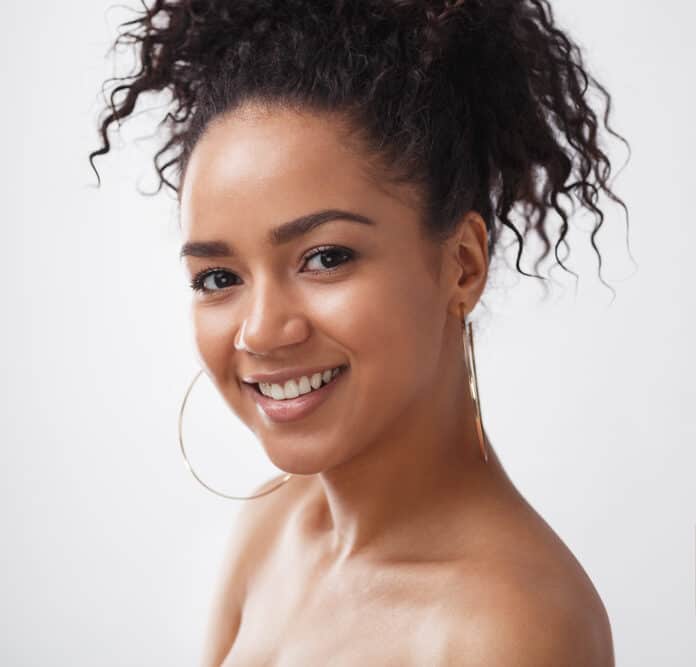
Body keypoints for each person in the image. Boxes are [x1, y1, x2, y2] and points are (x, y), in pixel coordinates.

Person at [89, 1, 629, 664]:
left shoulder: (512, 627)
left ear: (461, 265)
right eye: (218, 277)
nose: (261, 331)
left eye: (325, 257)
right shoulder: (270, 527)